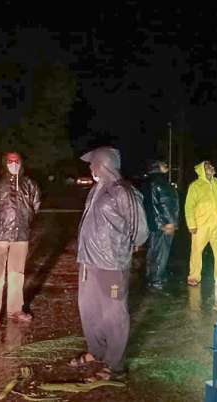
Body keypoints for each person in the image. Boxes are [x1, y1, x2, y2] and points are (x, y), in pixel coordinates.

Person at [71, 146, 148, 382]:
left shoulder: (123, 192)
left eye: (92, 163)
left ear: (103, 164)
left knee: (114, 315)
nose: (90, 167)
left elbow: (141, 231)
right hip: (88, 261)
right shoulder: (96, 190)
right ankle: (96, 351)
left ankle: (115, 365)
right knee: (89, 309)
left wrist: (124, 249)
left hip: (111, 264)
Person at [0, 151, 41, 328]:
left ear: (22, 163)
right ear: (3, 163)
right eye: (9, 161)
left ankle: (15, 310)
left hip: (20, 236)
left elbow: (35, 206)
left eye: (16, 161)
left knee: (17, 274)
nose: (13, 164)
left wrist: (23, 222)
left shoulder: (29, 185)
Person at [184, 160, 217, 287]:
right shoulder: (195, 186)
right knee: (196, 251)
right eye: (208, 166)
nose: (212, 167)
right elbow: (189, 206)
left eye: (211, 166)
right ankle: (194, 276)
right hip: (201, 225)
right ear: (202, 170)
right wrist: (191, 225)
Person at [141, 160, 180, 290]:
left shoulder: (151, 182)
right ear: (156, 167)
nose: (166, 166)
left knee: (153, 251)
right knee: (161, 253)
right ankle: (157, 279)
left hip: (156, 224)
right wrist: (168, 223)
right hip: (162, 224)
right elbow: (164, 204)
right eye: (163, 164)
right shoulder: (159, 182)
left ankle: (151, 277)